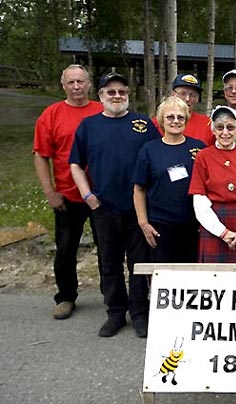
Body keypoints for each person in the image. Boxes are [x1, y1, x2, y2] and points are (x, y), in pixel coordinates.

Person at [69, 72, 160, 338]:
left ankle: (140, 313)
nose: (117, 96)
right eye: (111, 92)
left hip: (138, 209)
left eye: (121, 91)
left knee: (139, 263)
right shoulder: (89, 126)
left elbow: (157, 157)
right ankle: (115, 313)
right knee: (108, 263)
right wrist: (87, 195)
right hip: (104, 207)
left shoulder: (142, 124)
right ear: (100, 96)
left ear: (128, 95)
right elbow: (75, 163)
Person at [33, 64, 103, 320]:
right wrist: (50, 191)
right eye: (71, 82)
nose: (76, 87)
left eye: (81, 82)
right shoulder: (51, 115)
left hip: (101, 196)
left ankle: (112, 295)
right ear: (63, 85)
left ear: (89, 84)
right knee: (65, 250)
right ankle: (65, 297)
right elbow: (41, 155)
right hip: (67, 195)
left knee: (107, 248)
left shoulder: (101, 110)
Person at [189, 106, 236, 263]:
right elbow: (199, 199)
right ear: (213, 130)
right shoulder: (203, 157)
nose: (225, 132)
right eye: (219, 127)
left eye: (230, 127)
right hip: (213, 225)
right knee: (213, 282)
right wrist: (222, 232)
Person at [133, 96, 206, 263]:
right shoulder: (149, 150)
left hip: (193, 224)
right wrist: (143, 223)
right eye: (170, 117)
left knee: (190, 277)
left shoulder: (199, 148)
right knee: (163, 275)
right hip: (160, 225)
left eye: (180, 117)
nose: (175, 121)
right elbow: (139, 189)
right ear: (161, 120)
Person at [152, 73, 214, 147]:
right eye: (182, 93)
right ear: (173, 95)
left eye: (192, 95)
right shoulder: (158, 122)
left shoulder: (208, 124)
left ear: (197, 98)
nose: (187, 99)